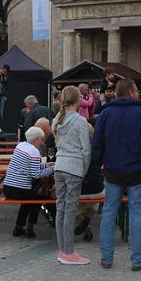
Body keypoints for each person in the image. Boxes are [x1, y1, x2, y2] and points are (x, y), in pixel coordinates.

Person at [92, 78, 141, 272]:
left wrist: (99, 162)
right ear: (131, 92)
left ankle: (106, 258)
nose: (138, 93)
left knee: (108, 213)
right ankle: (137, 260)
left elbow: (97, 142)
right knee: (137, 214)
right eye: (137, 89)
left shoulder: (106, 113)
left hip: (113, 169)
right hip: (137, 170)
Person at [51, 86, 92, 265]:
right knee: (70, 210)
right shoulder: (80, 121)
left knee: (61, 208)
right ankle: (68, 251)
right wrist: (83, 169)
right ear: (78, 100)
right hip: (74, 166)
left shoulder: (56, 121)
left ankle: (63, 250)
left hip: (59, 166)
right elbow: (86, 149)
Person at [2, 126, 54, 238]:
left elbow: (27, 166)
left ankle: (19, 227)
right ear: (36, 139)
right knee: (38, 198)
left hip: (7, 188)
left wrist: (45, 165)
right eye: (42, 139)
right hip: (20, 190)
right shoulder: (34, 151)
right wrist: (53, 169)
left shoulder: (20, 146)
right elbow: (35, 174)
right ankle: (30, 226)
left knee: (30, 198)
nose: (42, 142)